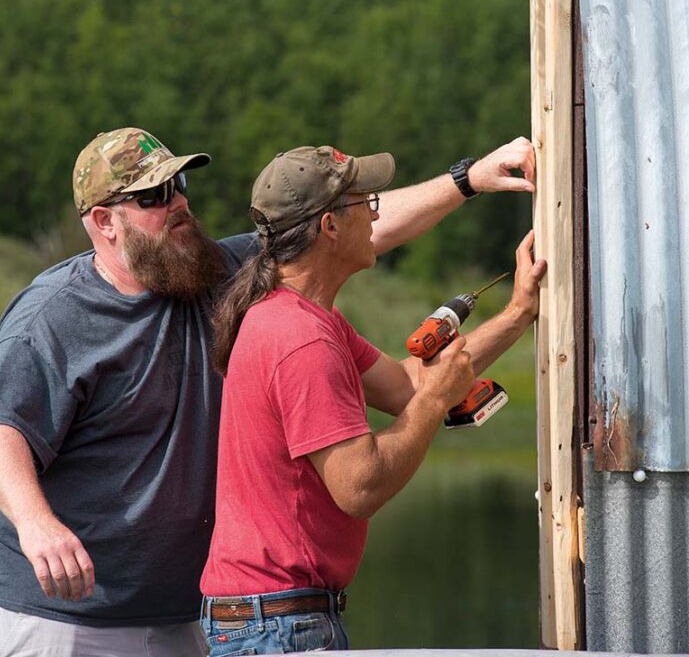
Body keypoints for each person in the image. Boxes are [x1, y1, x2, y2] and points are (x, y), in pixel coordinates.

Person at [0, 127, 536, 657]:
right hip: (54, 616)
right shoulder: (51, 316)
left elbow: (348, 230)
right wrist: (36, 525)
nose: (178, 203)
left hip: (181, 614)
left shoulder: (218, 272)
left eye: (179, 184)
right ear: (104, 221)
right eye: (153, 197)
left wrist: (469, 182)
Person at [200, 144, 546, 655]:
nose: (375, 213)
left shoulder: (300, 317)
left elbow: (406, 384)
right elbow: (359, 487)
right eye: (367, 202)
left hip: (271, 619)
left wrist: (518, 313)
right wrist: (435, 403)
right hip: (279, 627)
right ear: (330, 227)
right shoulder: (302, 340)